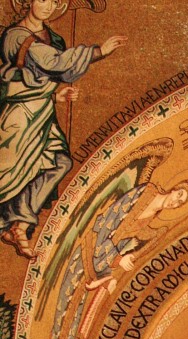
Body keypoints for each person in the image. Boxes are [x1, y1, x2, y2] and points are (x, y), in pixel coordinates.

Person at [46, 180, 188, 339]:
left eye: (181, 202)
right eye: (178, 194)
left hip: (100, 269)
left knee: (72, 331)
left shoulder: (153, 221)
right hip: (86, 258)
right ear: (173, 187)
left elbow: (136, 248)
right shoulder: (143, 194)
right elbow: (105, 226)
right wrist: (115, 261)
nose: (176, 202)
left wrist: (111, 276)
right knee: (63, 320)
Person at [0, 0, 126, 257]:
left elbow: (52, 74)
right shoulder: (15, 36)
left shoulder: (52, 37)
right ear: (27, 2)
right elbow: (49, 62)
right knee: (10, 173)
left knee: (60, 162)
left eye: (56, 2)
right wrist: (97, 51)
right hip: (18, 115)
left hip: (41, 113)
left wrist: (56, 94)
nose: (50, 6)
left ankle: (20, 223)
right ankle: (7, 223)